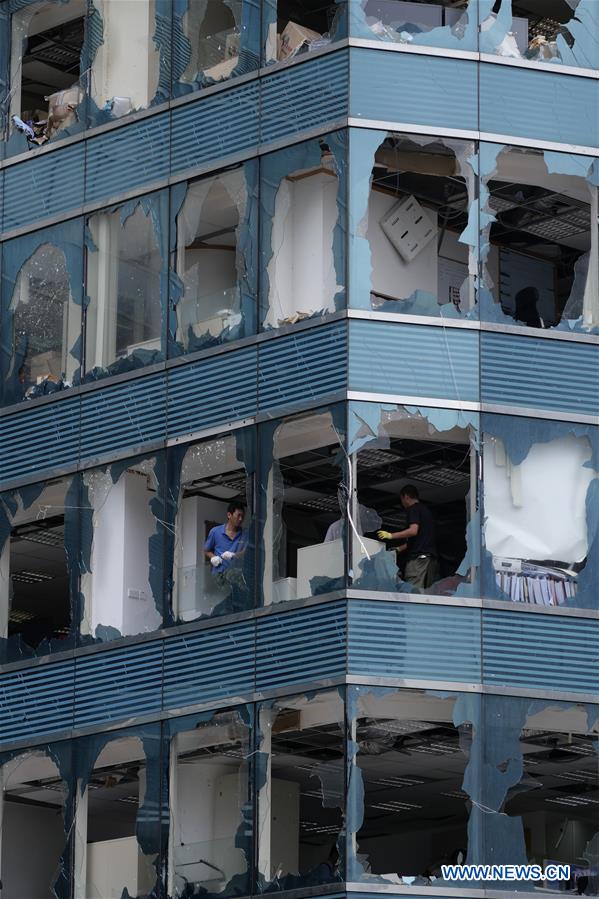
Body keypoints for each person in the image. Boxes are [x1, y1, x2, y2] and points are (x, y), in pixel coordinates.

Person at [377, 485, 438, 589]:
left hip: (418, 560)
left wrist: (391, 535)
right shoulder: (426, 511)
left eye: (401, 499)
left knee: (412, 590)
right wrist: (398, 549)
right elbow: (418, 538)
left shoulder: (413, 509)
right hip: (430, 560)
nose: (402, 503)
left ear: (406, 497)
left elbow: (413, 531)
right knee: (427, 593)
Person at [204, 500, 247, 589]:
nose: (240, 519)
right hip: (219, 577)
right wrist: (213, 557)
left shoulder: (244, 534)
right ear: (229, 515)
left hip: (237, 577)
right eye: (238, 515)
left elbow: (247, 552)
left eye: (242, 516)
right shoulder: (215, 531)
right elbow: (206, 550)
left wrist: (234, 555)